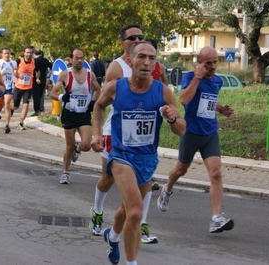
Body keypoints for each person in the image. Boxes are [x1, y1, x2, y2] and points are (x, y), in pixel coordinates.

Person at [92, 41, 185, 265]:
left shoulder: (162, 91)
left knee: (126, 209)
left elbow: (181, 129)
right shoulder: (116, 87)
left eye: (152, 58)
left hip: (147, 159)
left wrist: (172, 118)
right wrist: (96, 134)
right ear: (130, 60)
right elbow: (98, 106)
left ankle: (113, 236)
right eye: (141, 57)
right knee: (135, 212)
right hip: (121, 155)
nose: (147, 62)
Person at [89, 23, 158, 245]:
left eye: (141, 37)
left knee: (143, 181)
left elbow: (162, 93)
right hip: (115, 133)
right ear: (123, 43)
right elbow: (102, 103)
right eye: (133, 38)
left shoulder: (150, 64)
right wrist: (97, 133)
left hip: (143, 139)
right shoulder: (116, 68)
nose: (138, 40)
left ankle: (140, 222)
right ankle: (98, 210)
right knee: (108, 179)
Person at [157, 46, 235, 234]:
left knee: (216, 173)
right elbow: (183, 100)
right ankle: (167, 189)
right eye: (208, 63)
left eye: (215, 62)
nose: (213, 66)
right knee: (181, 170)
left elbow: (208, 99)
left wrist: (220, 109)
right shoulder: (190, 78)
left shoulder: (217, 81)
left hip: (210, 134)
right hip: (190, 133)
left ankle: (215, 218)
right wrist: (197, 77)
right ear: (199, 63)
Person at [50, 48, 101, 184]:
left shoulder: (90, 75)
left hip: (83, 113)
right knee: (69, 146)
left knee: (86, 145)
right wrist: (62, 97)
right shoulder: (65, 75)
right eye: (77, 58)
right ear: (71, 59)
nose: (80, 61)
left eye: (82, 58)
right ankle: (65, 173)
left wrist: (93, 102)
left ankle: (77, 150)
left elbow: (98, 90)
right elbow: (52, 93)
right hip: (69, 114)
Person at [12, 45, 40, 130]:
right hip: (18, 87)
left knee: (26, 105)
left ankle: (21, 123)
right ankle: (11, 109)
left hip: (28, 88)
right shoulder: (19, 61)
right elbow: (14, 71)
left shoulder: (34, 62)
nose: (29, 54)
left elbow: (38, 71)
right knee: (16, 106)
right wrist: (18, 75)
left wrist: (37, 78)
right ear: (24, 53)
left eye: (30, 52)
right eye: (27, 52)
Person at [0, 47, 17, 131]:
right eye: (5, 53)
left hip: (9, 87)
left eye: (8, 53)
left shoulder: (14, 63)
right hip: (0, 87)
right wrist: (0, 74)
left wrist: (17, 74)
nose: (7, 55)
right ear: (2, 54)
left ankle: (7, 125)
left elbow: (15, 72)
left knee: (7, 105)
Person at [31, 49, 52, 116]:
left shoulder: (34, 61)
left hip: (36, 80)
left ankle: (37, 110)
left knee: (36, 96)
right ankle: (41, 108)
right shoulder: (45, 60)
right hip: (43, 80)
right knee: (41, 95)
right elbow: (52, 66)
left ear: (34, 54)